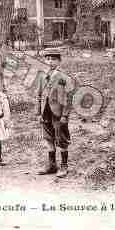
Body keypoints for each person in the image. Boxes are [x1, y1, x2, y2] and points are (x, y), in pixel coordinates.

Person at [37, 48, 71, 178]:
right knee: (48, 138)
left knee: (61, 138)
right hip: (45, 112)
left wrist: (65, 115)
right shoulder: (42, 75)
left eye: (53, 59)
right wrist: (38, 113)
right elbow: (39, 95)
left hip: (58, 112)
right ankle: (51, 165)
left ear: (59, 61)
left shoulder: (63, 77)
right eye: (48, 59)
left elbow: (68, 97)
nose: (50, 62)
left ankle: (64, 165)